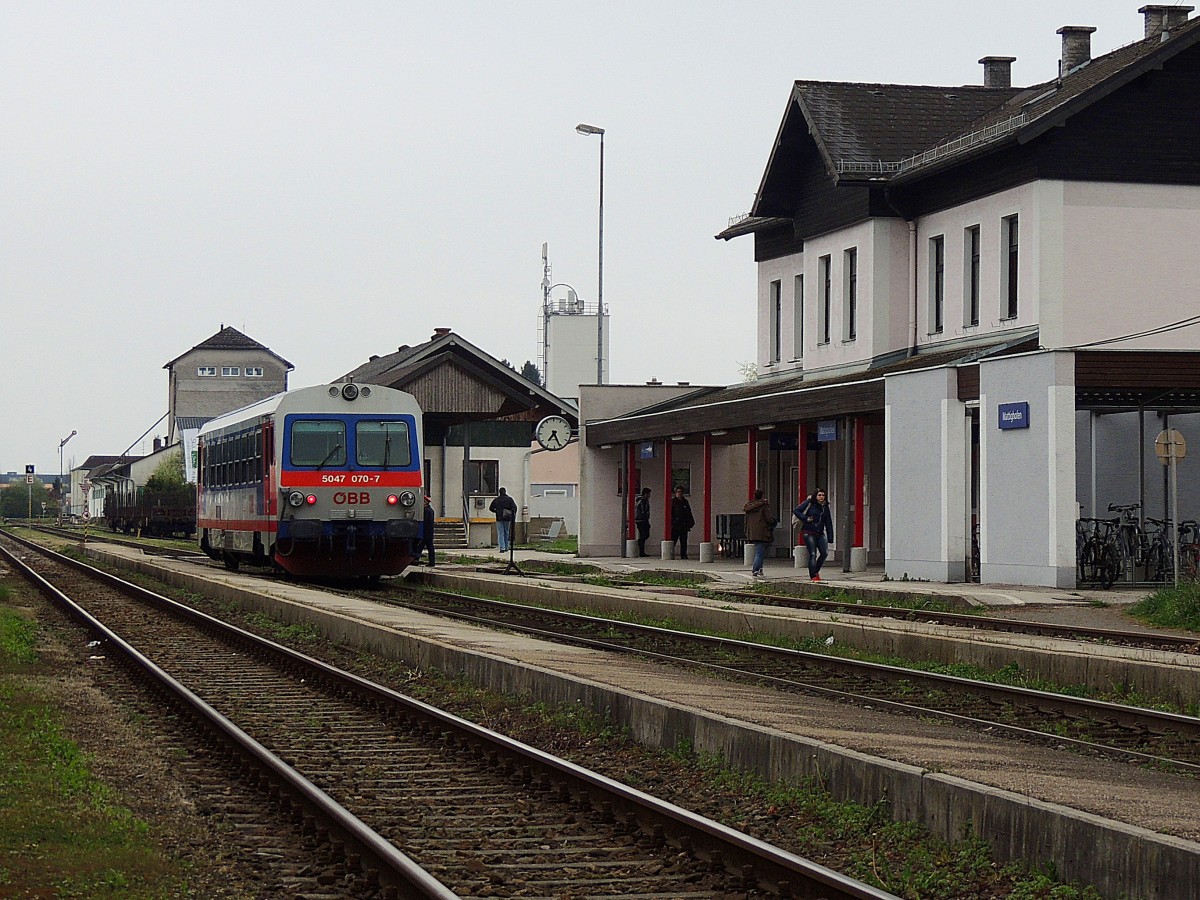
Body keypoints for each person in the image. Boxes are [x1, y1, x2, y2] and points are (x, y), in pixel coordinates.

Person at [793, 488, 834, 582]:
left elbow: (828, 521)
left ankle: (815, 571)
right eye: (819, 495)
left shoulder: (825, 507)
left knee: (824, 553)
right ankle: (813, 576)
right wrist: (805, 518)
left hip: (820, 532)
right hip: (808, 532)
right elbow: (796, 511)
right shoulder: (809, 503)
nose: (821, 497)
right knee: (813, 554)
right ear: (815, 496)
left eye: (823, 495)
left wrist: (830, 536)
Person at [743, 489, 776, 577]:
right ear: (762, 496)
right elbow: (768, 519)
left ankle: (760, 569)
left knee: (759, 551)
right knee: (759, 552)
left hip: (752, 532)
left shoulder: (749, 506)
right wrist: (773, 522)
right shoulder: (764, 506)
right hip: (762, 531)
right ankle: (756, 569)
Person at [669, 486, 695, 560]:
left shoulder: (685, 502)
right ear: (675, 493)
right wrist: (672, 522)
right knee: (673, 540)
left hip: (684, 525)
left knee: (684, 541)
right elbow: (670, 513)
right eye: (678, 492)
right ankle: (670, 554)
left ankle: (683, 554)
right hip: (675, 525)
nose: (679, 493)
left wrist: (690, 522)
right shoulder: (673, 502)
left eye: (681, 492)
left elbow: (688, 512)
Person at [489, 487, 518, 553]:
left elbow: (491, 508)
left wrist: (496, 511)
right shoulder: (509, 499)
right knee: (506, 532)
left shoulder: (496, 500)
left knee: (500, 533)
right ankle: (506, 547)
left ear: (499, 492)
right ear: (505, 491)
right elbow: (514, 508)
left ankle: (502, 548)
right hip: (507, 518)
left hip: (499, 518)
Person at [416, 495, 436, 567]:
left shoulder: (426, 511)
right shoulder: (431, 510)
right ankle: (431, 561)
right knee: (427, 547)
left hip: (426, 532)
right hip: (429, 532)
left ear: (425, 503)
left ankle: (416, 560)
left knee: (422, 547)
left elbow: (425, 522)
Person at [633, 487, 652, 557]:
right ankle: (639, 544)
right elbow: (643, 511)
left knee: (643, 535)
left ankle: (641, 551)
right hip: (642, 520)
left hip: (640, 520)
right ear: (645, 494)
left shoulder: (640, 500)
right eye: (649, 494)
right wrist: (645, 518)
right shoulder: (643, 501)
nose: (650, 495)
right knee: (645, 534)